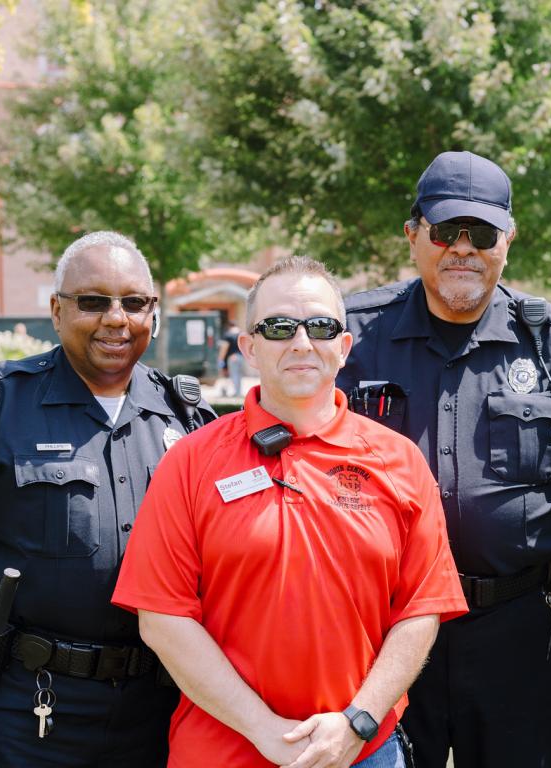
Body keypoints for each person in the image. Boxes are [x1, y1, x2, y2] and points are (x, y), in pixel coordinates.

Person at [0, 231, 216, 768]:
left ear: (154, 311)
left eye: (134, 302)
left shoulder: (188, 419)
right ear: (57, 311)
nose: (116, 318)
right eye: (94, 301)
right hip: (30, 707)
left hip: (163, 707)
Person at [338, 150, 551, 768]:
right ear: (414, 235)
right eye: (446, 231)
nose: (463, 248)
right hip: (378, 632)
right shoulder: (349, 340)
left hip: (524, 632)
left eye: (483, 233)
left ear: (509, 239)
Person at [113, 257, 467, 767]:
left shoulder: (400, 461)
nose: (302, 342)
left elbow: (421, 608)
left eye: (321, 326)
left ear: (344, 348)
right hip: (223, 751)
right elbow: (162, 618)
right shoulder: (190, 462)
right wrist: (264, 730)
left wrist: (357, 722)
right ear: (249, 348)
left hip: (363, 751)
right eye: (279, 327)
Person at [218, 319, 244, 396]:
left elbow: (224, 348)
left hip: (232, 357)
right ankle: (238, 391)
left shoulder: (228, 335)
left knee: (234, 375)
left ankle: (237, 393)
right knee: (239, 375)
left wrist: (220, 359)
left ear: (229, 326)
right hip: (241, 357)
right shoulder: (241, 334)